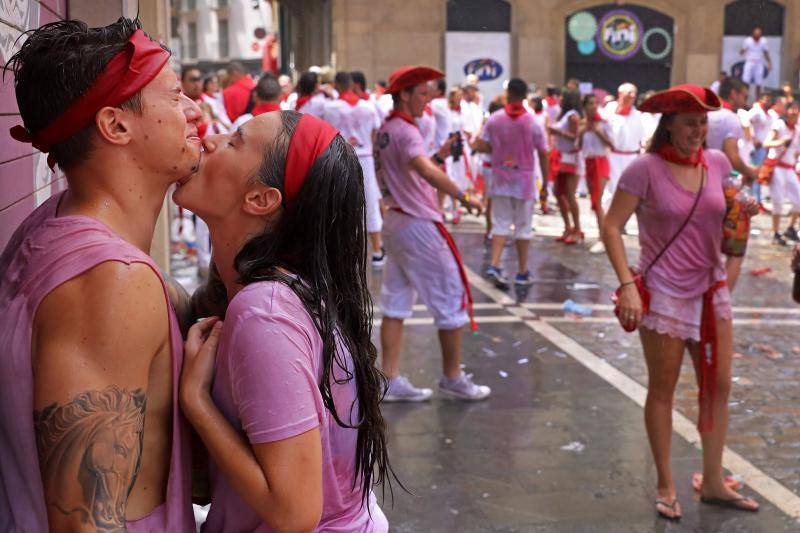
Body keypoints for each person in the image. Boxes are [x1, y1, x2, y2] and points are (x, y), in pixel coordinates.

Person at [0, 18, 202, 530]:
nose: (194, 111)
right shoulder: (112, 280)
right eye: (176, 96)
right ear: (115, 125)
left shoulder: (50, 224)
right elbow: (83, 521)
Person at [174, 110, 392, 531]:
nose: (210, 140)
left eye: (235, 141)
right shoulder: (281, 293)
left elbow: (294, 512)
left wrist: (197, 403)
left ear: (260, 199)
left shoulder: (265, 312)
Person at [602, 84, 760, 520]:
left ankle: (713, 481)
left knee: (719, 385)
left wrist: (740, 222)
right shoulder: (644, 169)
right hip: (665, 293)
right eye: (689, 122)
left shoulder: (718, 162)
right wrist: (627, 284)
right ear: (668, 123)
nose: (698, 130)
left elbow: (728, 213)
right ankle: (666, 484)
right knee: (663, 390)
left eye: (703, 122)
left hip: (711, 292)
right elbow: (611, 226)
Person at [375, 65, 490, 402]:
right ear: (404, 94)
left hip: (396, 221)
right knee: (451, 296)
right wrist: (464, 195)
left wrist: (437, 157)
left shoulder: (386, 130)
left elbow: (414, 166)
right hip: (417, 224)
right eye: (422, 93)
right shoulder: (405, 131)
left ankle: (391, 378)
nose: (428, 100)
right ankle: (453, 376)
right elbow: (422, 169)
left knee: (395, 302)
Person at [474, 78, 548, 289]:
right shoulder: (533, 122)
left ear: (508, 94)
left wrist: (498, 149)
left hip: (500, 178)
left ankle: (495, 264)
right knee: (523, 227)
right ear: (525, 95)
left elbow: (482, 145)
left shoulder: (495, 119)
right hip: (524, 180)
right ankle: (522, 271)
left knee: (500, 223)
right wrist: (546, 185)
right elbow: (543, 153)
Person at [322, 71, 385, 267]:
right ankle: (376, 251)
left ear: (336, 85)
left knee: (339, 201)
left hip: (340, 156)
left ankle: (341, 251)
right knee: (370, 204)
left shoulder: (330, 107)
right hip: (364, 157)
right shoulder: (368, 106)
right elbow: (376, 131)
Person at [579, 93, 615, 254]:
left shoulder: (604, 123)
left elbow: (612, 144)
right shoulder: (583, 124)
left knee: (597, 201)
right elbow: (579, 145)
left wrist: (599, 132)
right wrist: (582, 131)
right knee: (594, 202)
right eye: (590, 103)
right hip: (588, 162)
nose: (593, 106)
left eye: (595, 103)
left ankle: (604, 238)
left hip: (600, 161)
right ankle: (602, 235)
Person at [602, 83, 646, 210]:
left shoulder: (637, 115)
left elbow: (642, 137)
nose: (631, 97)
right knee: (612, 186)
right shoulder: (610, 110)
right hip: (613, 155)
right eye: (628, 94)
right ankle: (606, 216)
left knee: (628, 189)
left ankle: (620, 219)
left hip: (631, 157)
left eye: (633, 95)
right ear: (620, 94)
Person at [548, 88, 583, 244]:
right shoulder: (566, 115)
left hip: (570, 157)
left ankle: (576, 228)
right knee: (558, 192)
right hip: (562, 156)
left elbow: (575, 137)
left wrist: (557, 132)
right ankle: (568, 226)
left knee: (569, 194)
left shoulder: (572, 116)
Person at [763, 100, 800, 245]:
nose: (795, 113)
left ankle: (790, 227)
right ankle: (775, 232)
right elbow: (767, 143)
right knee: (777, 200)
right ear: (787, 111)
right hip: (777, 167)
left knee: (798, 200)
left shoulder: (797, 130)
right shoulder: (779, 124)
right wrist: (781, 142)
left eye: (798, 110)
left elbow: (796, 151)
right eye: (793, 109)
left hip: (789, 168)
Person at [740, 26, 771, 97]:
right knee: (746, 82)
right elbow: (742, 51)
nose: (757, 37)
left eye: (759, 35)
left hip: (759, 63)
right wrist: (742, 51)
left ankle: (758, 100)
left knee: (759, 83)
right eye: (756, 35)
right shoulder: (748, 40)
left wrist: (769, 63)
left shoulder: (763, 41)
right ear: (753, 34)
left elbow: (766, 52)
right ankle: (745, 99)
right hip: (749, 62)